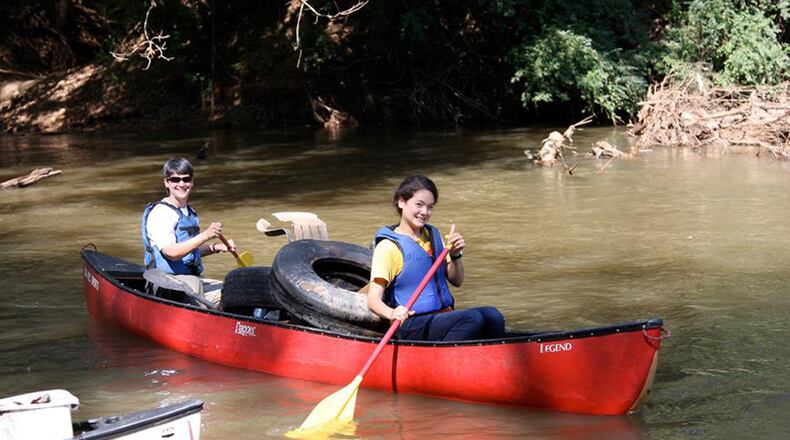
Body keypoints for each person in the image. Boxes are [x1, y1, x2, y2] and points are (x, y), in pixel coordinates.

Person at [367, 175, 506, 341]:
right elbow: (373, 301)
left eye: (430, 207)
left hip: (442, 316)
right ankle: (445, 360)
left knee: (493, 316)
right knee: (472, 319)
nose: (424, 212)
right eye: (419, 205)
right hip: (412, 324)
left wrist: (455, 254)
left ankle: (490, 360)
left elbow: (457, 280)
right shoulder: (388, 247)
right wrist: (392, 313)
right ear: (401, 202)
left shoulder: (433, 236)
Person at [141, 157, 235, 305]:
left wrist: (216, 248)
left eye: (186, 179)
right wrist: (205, 235)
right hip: (165, 283)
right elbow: (171, 253)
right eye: (175, 180)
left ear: (192, 182)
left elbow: (189, 252)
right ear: (166, 182)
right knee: (195, 283)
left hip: (187, 279)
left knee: (233, 290)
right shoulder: (161, 213)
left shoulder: (188, 211)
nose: (181, 184)